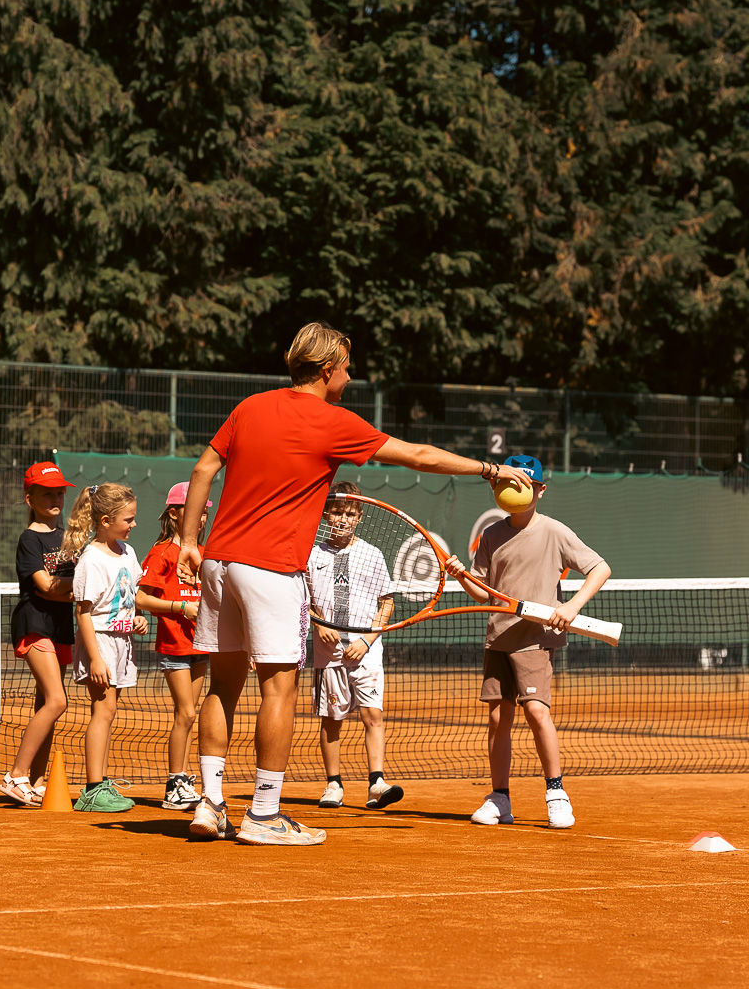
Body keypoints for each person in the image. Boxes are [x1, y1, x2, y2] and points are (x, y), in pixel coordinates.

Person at [176, 321, 531, 846]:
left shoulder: (249, 407)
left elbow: (204, 468)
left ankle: (210, 804)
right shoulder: (332, 421)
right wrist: (489, 469)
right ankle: (265, 813)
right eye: (345, 366)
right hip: (270, 568)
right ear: (325, 370)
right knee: (279, 687)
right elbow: (420, 455)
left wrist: (188, 537)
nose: (350, 374)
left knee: (223, 684)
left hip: (217, 563)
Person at [445, 454, 611, 830]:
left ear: (539, 489)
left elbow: (600, 568)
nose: (515, 489)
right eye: (508, 482)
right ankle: (499, 798)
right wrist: (459, 574)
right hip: (498, 637)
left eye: (524, 483)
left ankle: (556, 795)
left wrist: (570, 606)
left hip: (535, 639)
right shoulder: (491, 535)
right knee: (497, 718)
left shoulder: (554, 531)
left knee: (536, 712)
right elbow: (481, 592)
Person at [308, 482, 403, 810]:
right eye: (336, 512)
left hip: (367, 653)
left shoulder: (372, 554)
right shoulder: (312, 554)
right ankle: (333, 785)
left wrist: (366, 641)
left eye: (350, 514)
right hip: (328, 656)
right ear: (325, 515)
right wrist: (318, 624)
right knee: (331, 719)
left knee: (372, 715)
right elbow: (301, 601)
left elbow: (386, 604)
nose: (343, 519)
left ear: (359, 517)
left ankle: (377, 783)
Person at [66, 483, 148, 813]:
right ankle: (92, 789)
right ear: (104, 520)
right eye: (128, 519)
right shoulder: (90, 559)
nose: (133, 524)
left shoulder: (127, 552)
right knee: (103, 711)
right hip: (98, 642)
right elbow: (83, 613)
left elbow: (132, 596)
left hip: (122, 642)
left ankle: (99, 785)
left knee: (109, 712)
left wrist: (138, 618)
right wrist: (96, 659)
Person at [0, 463, 76, 807]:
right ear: (30, 498)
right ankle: (16, 775)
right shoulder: (29, 539)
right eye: (47, 492)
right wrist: (83, 585)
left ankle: (38, 780)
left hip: (60, 626)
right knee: (58, 700)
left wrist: (71, 589)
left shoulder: (69, 538)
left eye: (60, 491)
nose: (56, 498)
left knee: (46, 702)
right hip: (33, 622)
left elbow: (61, 588)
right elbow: (44, 586)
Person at [136, 482, 212, 811]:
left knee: (190, 716)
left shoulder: (203, 554)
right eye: (196, 509)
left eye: (206, 511)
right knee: (186, 713)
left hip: (201, 645)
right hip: (175, 645)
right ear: (174, 512)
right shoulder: (162, 552)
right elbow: (141, 598)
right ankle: (174, 784)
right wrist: (179, 608)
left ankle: (182, 780)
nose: (203, 516)